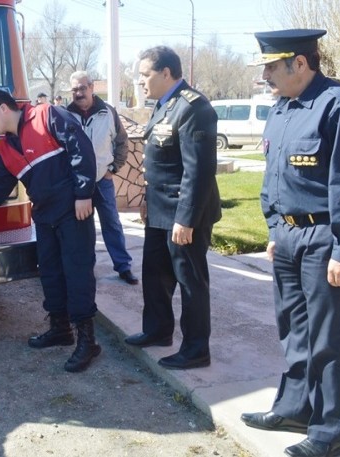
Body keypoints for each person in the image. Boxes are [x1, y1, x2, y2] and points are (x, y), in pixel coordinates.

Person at [240, 29, 340, 457]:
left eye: (270, 66)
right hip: (288, 237)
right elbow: (275, 177)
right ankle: (296, 407)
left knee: (330, 338)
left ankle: (331, 432)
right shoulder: (283, 109)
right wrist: (273, 229)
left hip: (325, 239)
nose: (265, 75)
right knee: (295, 330)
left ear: (300, 63)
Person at [0, 89, 100, 372]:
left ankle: (88, 340)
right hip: (44, 216)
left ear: (4, 108)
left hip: (72, 212)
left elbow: (81, 148)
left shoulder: (47, 116)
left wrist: (84, 193)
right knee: (51, 273)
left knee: (77, 273)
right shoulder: (7, 151)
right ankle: (61, 329)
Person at [124, 46, 221, 370]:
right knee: (155, 275)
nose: (140, 82)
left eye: (145, 75)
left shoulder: (194, 107)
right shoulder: (164, 105)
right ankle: (157, 330)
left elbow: (199, 171)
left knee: (190, 281)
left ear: (167, 73)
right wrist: (148, 204)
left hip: (183, 214)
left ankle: (196, 350)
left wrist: (187, 219)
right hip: (160, 209)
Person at [66, 70, 138, 285]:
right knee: (81, 229)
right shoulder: (64, 115)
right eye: (74, 89)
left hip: (102, 181)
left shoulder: (109, 112)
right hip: (77, 185)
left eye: (82, 88)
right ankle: (85, 269)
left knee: (112, 224)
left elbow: (122, 143)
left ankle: (123, 266)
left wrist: (113, 168)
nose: (79, 93)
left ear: (92, 87)